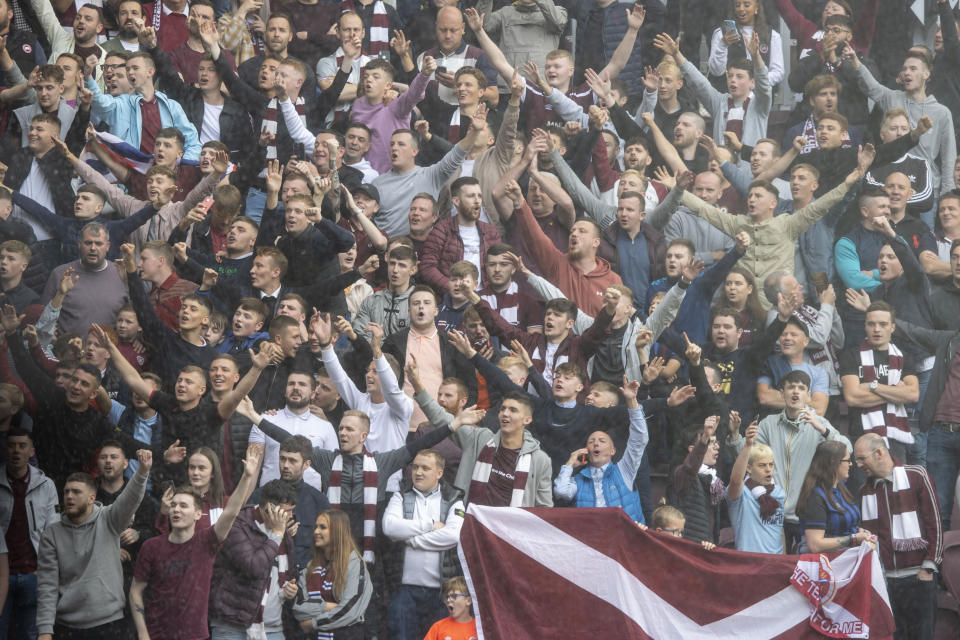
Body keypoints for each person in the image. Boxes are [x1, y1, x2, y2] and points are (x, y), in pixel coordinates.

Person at [129, 447, 263, 640]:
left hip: (202, 621)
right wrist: (143, 634)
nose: (176, 509)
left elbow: (232, 512)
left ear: (198, 515)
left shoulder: (205, 542)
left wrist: (247, 476)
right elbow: (136, 590)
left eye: (183, 506)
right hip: (156, 631)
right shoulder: (151, 546)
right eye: (174, 505)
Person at [35, 449, 152, 640]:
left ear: (91, 498)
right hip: (67, 627)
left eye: (76, 492)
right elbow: (47, 584)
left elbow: (129, 500)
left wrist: (142, 473)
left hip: (109, 623)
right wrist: (45, 630)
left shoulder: (109, 519)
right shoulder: (52, 533)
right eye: (66, 492)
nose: (69, 497)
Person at [728, 370, 850, 552]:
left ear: (808, 395)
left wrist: (822, 429)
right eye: (791, 387)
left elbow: (847, 449)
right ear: (781, 393)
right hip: (773, 511)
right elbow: (748, 459)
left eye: (801, 388)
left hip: (806, 511)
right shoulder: (769, 423)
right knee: (779, 565)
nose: (795, 392)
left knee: (801, 567)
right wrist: (736, 436)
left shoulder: (818, 422)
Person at [854, 433, 941, 640]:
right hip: (885, 581)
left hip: (918, 577)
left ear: (879, 453)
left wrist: (929, 567)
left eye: (861, 458)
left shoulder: (917, 475)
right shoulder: (864, 491)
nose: (857, 465)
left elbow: (934, 522)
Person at [382, 450, 464, 640]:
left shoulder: (454, 499)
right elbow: (390, 527)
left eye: (425, 468)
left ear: (439, 473)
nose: (418, 472)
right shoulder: (400, 496)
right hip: (404, 590)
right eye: (415, 467)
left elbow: (453, 535)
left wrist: (412, 540)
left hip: (441, 593)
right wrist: (430, 525)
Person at [208, 478, 298, 640]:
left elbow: (283, 573)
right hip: (232, 625)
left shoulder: (283, 531)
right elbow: (253, 567)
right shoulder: (238, 526)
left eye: (292, 510)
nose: (290, 516)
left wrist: (287, 591)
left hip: (272, 626)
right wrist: (277, 534)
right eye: (286, 511)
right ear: (268, 508)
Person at [554, 379, 648, 522]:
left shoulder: (624, 471)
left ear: (613, 450)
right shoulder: (578, 480)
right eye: (591, 442)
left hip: (622, 538)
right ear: (586, 450)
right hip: (592, 540)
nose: (596, 444)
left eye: (602, 441)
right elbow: (561, 491)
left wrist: (632, 400)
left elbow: (639, 438)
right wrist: (570, 463)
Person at [840, 301, 919, 462]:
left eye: (883, 324)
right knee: (863, 488)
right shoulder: (850, 356)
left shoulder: (904, 358)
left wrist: (872, 386)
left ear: (892, 327)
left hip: (895, 437)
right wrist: (895, 393)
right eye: (871, 324)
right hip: (861, 436)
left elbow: (912, 395)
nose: (877, 329)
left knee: (896, 486)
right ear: (865, 326)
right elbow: (853, 397)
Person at [0, 428, 58, 640]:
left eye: (22, 446)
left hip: (33, 573)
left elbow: (52, 530)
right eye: (11, 445)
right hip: (1, 575)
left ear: (31, 451)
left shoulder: (46, 485)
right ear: (5, 450)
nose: (16, 451)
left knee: (30, 634)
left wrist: (43, 570)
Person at [290, 510, 373, 639]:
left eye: (323, 527)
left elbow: (350, 611)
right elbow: (298, 608)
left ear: (337, 531)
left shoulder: (355, 564)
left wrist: (313, 623)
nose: (316, 532)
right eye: (316, 527)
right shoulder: (310, 567)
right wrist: (326, 606)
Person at [248, 371, 337, 491]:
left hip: (310, 503)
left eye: (302, 384)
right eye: (291, 384)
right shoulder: (265, 420)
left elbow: (333, 471)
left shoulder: (326, 426)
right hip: (269, 499)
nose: (296, 387)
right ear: (285, 391)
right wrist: (247, 506)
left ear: (312, 393)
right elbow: (252, 469)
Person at [797, 440, 873, 553]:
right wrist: (854, 538)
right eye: (848, 460)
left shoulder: (840, 487)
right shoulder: (815, 496)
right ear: (834, 463)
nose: (851, 464)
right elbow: (815, 545)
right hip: (826, 565)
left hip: (844, 559)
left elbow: (847, 524)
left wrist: (860, 532)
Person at [727, 420, 785, 553]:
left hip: (775, 563)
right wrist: (747, 445)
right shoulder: (742, 492)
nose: (768, 470)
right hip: (749, 563)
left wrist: (784, 559)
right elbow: (736, 480)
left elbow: (779, 530)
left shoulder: (779, 492)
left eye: (771, 465)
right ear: (749, 468)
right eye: (762, 465)